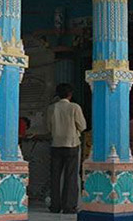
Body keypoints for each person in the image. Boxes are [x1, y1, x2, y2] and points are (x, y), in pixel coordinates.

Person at [46, 83, 87, 214]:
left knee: (55, 176)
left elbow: (48, 127)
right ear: (70, 94)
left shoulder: (51, 108)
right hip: (72, 144)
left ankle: (55, 205)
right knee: (71, 176)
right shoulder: (75, 107)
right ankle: (69, 206)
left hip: (56, 144)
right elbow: (82, 126)